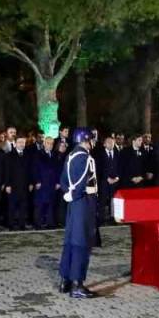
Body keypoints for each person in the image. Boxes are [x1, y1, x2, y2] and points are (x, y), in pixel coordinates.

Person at [60, 128, 100, 298]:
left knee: (70, 240)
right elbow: (82, 180)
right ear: (85, 140)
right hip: (83, 202)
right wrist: (74, 194)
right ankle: (77, 283)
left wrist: (67, 194)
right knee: (81, 243)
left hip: (73, 204)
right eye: (90, 139)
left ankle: (65, 281)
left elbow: (63, 179)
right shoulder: (86, 157)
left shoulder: (70, 155)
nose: (92, 142)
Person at [3, 135, 32, 230]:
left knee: (23, 206)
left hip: (24, 185)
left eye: (23, 142)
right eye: (19, 142)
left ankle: (22, 225)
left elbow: (29, 171)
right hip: (13, 185)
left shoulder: (27, 155)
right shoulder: (9, 155)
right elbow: (7, 171)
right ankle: (11, 225)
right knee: (12, 206)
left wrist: (31, 183)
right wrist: (7, 185)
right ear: (15, 143)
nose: (21, 144)